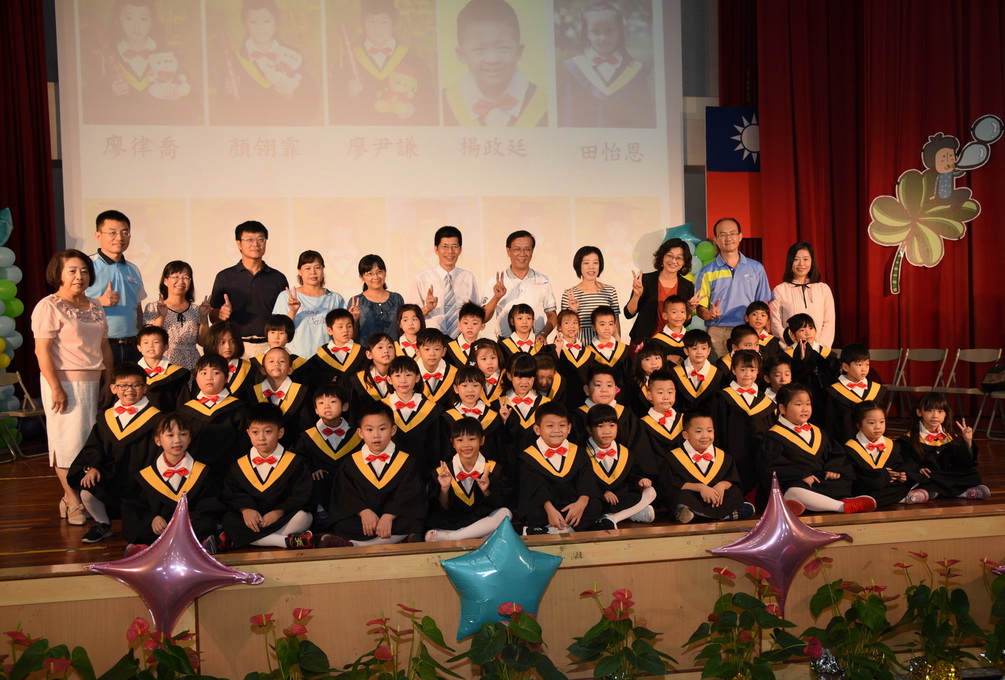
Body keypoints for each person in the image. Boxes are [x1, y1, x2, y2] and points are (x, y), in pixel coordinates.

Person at [32, 249, 114, 527]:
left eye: (84, 270)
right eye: (72, 270)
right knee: (66, 443)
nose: (79, 276)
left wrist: (108, 379)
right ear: (59, 273)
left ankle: (85, 494)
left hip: (94, 381)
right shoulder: (49, 306)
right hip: (63, 382)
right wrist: (55, 387)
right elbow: (42, 352)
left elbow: (104, 346)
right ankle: (71, 498)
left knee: (89, 442)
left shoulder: (95, 305)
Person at [69, 362, 163, 544]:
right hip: (112, 474)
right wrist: (93, 466)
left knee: (136, 535)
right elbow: (94, 446)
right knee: (87, 488)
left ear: (145, 387)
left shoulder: (156, 418)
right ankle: (102, 523)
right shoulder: (106, 417)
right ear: (113, 388)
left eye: (136, 385)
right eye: (123, 385)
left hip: (142, 478)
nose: (130, 390)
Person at [758, 384, 876, 515]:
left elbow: (835, 454)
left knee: (843, 481)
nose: (804, 409)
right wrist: (801, 475)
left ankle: (800, 505)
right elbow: (772, 466)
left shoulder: (818, 432)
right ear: (782, 408)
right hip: (797, 481)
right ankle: (842, 506)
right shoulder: (773, 436)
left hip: (820, 479)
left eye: (808, 404)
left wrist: (834, 468)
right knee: (793, 490)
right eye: (798, 404)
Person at [324, 400, 428, 546]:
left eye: (382, 429)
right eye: (369, 430)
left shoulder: (406, 462)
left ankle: (356, 545)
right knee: (343, 523)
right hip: (364, 520)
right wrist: (363, 511)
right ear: (360, 432)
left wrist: (389, 515)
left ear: (393, 430)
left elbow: (409, 495)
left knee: (411, 520)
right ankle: (395, 539)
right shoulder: (350, 463)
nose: (376, 435)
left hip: (394, 518)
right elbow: (345, 495)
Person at [218, 403, 315, 550]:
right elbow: (232, 494)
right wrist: (245, 510)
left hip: (281, 518)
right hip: (252, 520)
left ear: (280, 433)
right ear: (248, 433)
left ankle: (241, 539)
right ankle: (283, 541)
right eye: (255, 432)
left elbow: (300, 495)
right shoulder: (239, 466)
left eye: (268, 431)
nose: (261, 438)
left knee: (303, 517)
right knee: (229, 520)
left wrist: (278, 512)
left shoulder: (295, 463)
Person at [123, 413, 222, 555]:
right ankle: (197, 546)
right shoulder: (145, 475)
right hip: (160, 526)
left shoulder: (201, 472)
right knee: (137, 526)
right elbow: (136, 506)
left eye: (183, 434)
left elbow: (207, 505)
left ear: (189, 439)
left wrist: (184, 521)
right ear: (158, 440)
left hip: (188, 524)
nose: (177, 440)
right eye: (170, 435)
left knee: (206, 524)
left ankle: (148, 549)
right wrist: (152, 518)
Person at [212, 0, 319, 126]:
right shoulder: (235, 62)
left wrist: (289, 94)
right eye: (253, 22)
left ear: (276, 23)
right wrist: (229, 93)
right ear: (245, 25)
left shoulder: (291, 58)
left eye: (266, 21)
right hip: (250, 134)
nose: (260, 27)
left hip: (283, 132)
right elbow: (222, 110)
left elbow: (311, 101)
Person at [443, 0, 548, 127]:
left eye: (503, 48)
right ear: (461, 55)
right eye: (479, 49)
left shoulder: (547, 103)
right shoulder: (443, 102)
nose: (492, 59)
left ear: (519, 51)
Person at [332, 0, 437, 126]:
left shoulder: (412, 59)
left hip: (400, 133)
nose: (378, 27)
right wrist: (348, 93)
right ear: (363, 25)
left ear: (393, 26)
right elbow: (335, 105)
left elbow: (427, 101)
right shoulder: (348, 61)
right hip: (364, 132)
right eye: (371, 21)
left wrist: (411, 109)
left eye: (384, 22)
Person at [516, 401, 610, 535]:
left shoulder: (578, 452)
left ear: (569, 428)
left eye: (562, 425)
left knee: (594, 505)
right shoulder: (529, 457)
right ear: (537, 429)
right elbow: (536, 489)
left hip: (573, 503)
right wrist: (550, 510)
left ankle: (552, 529)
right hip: (547, 506)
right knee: (534, 511)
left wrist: (581, 503)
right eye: (550, 426)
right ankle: (568, 528)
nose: (556, 430)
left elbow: (587, 481)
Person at [557, 0, 655, 128]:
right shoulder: (574, 69)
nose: (603, 38)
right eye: (595, 32)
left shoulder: (635, 71)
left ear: (620, 32)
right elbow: (569, 116)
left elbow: (645, 117)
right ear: (586, 33)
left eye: (610, 31)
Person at [660, 408, 754, 524]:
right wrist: (700, 487)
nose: (705, 436)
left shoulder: (724, 457)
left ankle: (695, 515)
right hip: (694, 496)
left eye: (709, 431)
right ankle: (729, 514)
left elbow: (732, 479)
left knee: (734, 493)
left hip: (718, 497)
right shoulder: (673, 457)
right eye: (698, 432)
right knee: (680, 496)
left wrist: (721, 486)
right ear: (685, 434)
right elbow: (671, 483)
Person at [425, 418, 513, 542]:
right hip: (453, 522)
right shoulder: (442, 472)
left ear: (482, 440)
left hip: (481, 521)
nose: (466, 445)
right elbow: (442, 509)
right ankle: (471, 534)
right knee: (429, 534)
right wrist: (444, 489)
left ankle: (454, 537)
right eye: (460, 440)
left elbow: (496, 506)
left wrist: (485, 491)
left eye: (471, 439)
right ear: (453, 443)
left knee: (505, 513)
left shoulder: (493, 469)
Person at [694, 218, 772, 358]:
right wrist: (709, 314)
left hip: (748, 331)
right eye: (722, 235)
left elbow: (764, 305)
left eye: (732, 233)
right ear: (716, 240)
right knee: (720, 374)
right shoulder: (707, 272)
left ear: (740, 236)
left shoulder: (756, 268)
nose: (728, 238)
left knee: (747, 374)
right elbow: (700, 308)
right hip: (718, 332)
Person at [210, 221, 289, 358]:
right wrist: (220, 314)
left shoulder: (278, 278)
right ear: (239, 243)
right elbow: (212, 315)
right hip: (236, 346)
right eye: (249, 240)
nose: (256, 244)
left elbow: (284, 317)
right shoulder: (225, 277)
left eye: (260, 239)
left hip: (268, 347)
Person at [178, 354, 250, 492]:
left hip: (230, 475)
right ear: (196, 378)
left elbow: (243, 445)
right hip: (194, 475)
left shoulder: (238, 408)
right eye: (203, 373)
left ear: (226, 378)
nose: (209, 377)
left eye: (216, 372)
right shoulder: (185, 411)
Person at [897, 393, 989, 500]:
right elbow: (905, 461)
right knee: (916, 477)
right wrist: (918, 469)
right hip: (928, 476)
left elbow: (964, 464)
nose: (935, 415)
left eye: (940, 411)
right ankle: (960, 492)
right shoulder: (908, 439)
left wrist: (967, 441)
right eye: (929, 410)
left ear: (945, 414)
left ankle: (932, 491)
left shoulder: (951, 437)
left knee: (973, 475)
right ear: (919, 412)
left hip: (942, 476)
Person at [294, 382, 362, 527]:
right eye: (321, 402)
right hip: (320, 482)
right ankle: (320, 511)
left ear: (345, 406)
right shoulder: (308, 437)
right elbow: (300, 460)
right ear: (316, 410)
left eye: (333, 401)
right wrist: (312, 469)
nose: (327, 406)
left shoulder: (356, 436)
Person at [86, 210, 145, 365]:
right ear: (98, 236)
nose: (119, 238)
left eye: (124, 232)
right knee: (104, 389)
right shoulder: (86, 265)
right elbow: (70, 304)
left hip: (132, 347)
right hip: (100, 345)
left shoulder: (133, 269)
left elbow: (137, 309)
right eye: (112, 233)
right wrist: (100, 301)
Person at [585, 404, 658, 528]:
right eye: (600, 426)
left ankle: (613, 518)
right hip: (598, 498)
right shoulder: (582, 453)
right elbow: (583, 481)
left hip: (620, 496)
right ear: (589, 429)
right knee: (592, 505)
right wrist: (602, 491)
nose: (607, 431)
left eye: (612, 426)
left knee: (650, 491)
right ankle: (630, 514)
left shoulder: (624, 452)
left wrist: (640, 480)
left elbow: (631, 475)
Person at [713, 349, 775, 495]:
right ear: (733, 370)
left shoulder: (765, 401)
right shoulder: (724, 397)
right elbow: (719, 429)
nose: (747, 374)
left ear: (758, 371)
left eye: (752, 369)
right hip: (734, 451)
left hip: (758, 454)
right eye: (742, 369)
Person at [844, 402, 928, 507]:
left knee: (908, 480)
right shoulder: (850, 448)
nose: (878, 427)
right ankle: (900, 497)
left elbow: (902, 465)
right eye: (871, 423)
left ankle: (866, 502)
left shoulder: (893, 446)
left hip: (888, 487)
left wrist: (901, 475)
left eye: (882, 422)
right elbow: (856, 476)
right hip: (865, 488)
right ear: (859, 425)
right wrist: (882, 475)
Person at [482, 231, 558, 340]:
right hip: (506, 344)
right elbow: (483, 318)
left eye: (527, 249)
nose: (522, 254)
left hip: (536, 341)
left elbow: (552, 315)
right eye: (517, 249)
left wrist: (543, 334)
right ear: (508, 251)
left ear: (532, 251)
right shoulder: (495, 281)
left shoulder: (543, 280)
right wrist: (496, 297)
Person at [624, 238, 697, 347]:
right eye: (669, 256)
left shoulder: (687, 286)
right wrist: (636, 296)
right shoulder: (645, 280)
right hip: (644, 343)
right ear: (662, 257)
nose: (673, 261)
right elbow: (628, 314)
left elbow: (685, 322)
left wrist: (689, 311)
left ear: (684, 262)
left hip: (671, 344)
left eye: (679, 258)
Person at [272, 250, 346, 359]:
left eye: (317, 267)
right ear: (299, 271)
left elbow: (343, 332)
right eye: (307, 268)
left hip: (328, 359)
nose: (313, 272)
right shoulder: (286, 297)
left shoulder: (335, 298)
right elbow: (278, 331)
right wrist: (293, 311)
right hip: (295, 359)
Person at [143, 261, 211, 372]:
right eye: (175, 277)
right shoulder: (153, 307)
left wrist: (204, 318)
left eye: (186, 277)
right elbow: (148, 337)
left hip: (192, 361)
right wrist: (161, 316)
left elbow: (203, 342)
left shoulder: (196, 309)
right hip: (164, 361)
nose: (181, 282)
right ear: (165, 280)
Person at [412, 226, 479, 337]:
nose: (450, 251)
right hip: (431, 342)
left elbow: (476, 314)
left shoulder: (468, 277)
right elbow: (410, 317)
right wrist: (427, 308)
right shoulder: (421, 279)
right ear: (436, 249)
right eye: (445, 246)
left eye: (454, 247)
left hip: (461, 341)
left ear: (460, 250)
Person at [769, 242, 835, 349]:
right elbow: (775, 323)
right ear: (790, 262)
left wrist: (817, 347)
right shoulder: (780, 290)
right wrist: (792, 346)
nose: (801, 264)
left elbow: (829, 322)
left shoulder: (823, 289)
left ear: (812, 261)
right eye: (796, 259)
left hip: (819, 351)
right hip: (789, 351)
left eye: (805, 259)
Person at [823, 344, 887, 442]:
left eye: (867, 364)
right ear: (845, 367)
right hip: (844, 445)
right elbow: (830, 425)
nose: (864, 369)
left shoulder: (875, 390)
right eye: (859, 365)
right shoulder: (834, 391)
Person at [249, 347, 310, 449]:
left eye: (281, 361)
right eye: (271, 361)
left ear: (290, 370)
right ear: (263, 370)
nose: (276, 364)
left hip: (294, 450)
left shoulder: (301, 393)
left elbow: (306, 427)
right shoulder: (251, 394)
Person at [562, 246, 620, 344]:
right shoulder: (570, 294)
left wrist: (618, 346)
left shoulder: (610, 291)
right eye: (586, 263)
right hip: (580, 348)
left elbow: (616, 323)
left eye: (595, 263)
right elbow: (565, 327)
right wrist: (573, 310)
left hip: (605, 348)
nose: (591, 267)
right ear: (579, 266)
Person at [301, 309, 367, 388]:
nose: (345, 330)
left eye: (349, 326)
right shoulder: (321, 356)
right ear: (330, 330)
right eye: (340, 327)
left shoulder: (363, 353)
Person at [350, 254, 405, 342]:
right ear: (362, 277)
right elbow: (350, 338)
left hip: (394, 353)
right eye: (369, 274)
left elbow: (404, 330)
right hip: (366, 354)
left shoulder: (397, 299)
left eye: (379, 271)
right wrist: (353, 321)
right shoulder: (356, 302)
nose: (375, 277)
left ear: (385, 272)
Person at [136, 324, 190, 412]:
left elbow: (183, 404)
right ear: (139, 347)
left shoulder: (176, 375)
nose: (150, 346)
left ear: (166, 346)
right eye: (146, 342)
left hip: (167, 421)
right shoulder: (132, 373)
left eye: (156, 342)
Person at [670, 329, 725, 411]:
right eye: (695, 348)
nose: (699, 352)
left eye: (703, 348)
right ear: (686, 351)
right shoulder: (674, 373)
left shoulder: (717, 375)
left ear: (709, 351)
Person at [202, 322, 255, 401]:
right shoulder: (202, 371)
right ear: (212, 343)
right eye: (222, 342)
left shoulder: (251, 369)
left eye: (232, 342)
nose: (228, 347)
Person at [582, 305, 631, 387]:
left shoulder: (624, 350)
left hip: (622, 397)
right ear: (594, 327)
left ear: (615, 326)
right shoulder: (587, 353)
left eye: (610, 324)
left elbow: (629, 378)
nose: (607, 328)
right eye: (602, 324)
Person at [416, 329, 459, 403]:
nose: (432, 353)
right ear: (418, 352)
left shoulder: (454, 374)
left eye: (437, 349)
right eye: (427, 349)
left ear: (444, 351)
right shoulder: (410, 373)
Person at [649, 295, 689, 365]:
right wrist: (667, 357)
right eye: (674, 312)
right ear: (665, 316)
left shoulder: (690, 337)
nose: (679, 316)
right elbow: (651, 361)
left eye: (682, 312)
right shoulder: (657, 341)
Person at [446, 302, 486, 367]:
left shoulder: (488, 346)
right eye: (465, 323)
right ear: (459, 325)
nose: (469, 327)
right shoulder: (449, 348)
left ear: (482, 326)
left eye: (474, 323)